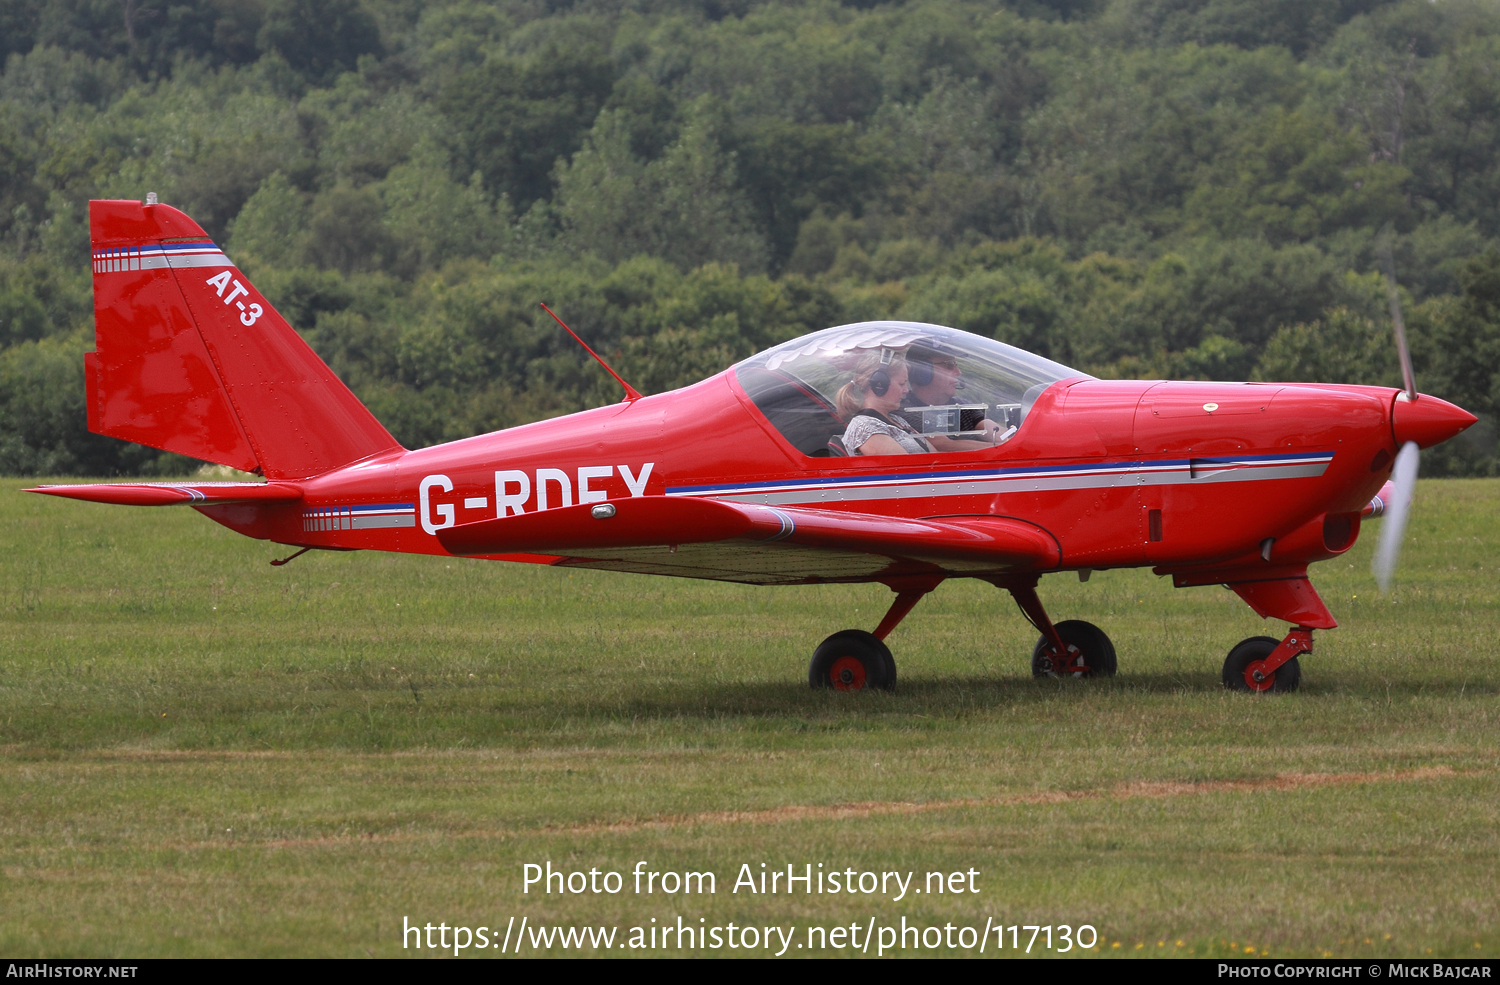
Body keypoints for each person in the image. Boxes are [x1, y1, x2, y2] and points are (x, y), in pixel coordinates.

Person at [902, 341, 1005, 449]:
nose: (958, 372)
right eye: (949, 365)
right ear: (922, 372)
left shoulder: (960, 405)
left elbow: (997, 434)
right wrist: (1004, 448)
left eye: (956, 365)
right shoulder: (906, 410)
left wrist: (1009, 442)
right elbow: (942, 444)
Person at [835, 351, 932, 455]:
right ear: (879, 384)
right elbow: (905, 468)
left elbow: (935, 456)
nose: (906, 390)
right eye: (901, 384)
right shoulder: (865, 428)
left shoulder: (897, 420)